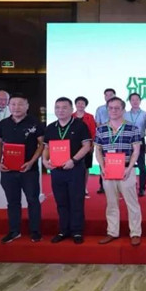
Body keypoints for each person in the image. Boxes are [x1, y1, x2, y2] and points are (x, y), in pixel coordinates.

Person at [0, 93, 45, 244]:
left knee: (32, 200)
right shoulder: (3, 123)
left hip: (29, 170)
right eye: (13, 104)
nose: (16, 107)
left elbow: (41, 144)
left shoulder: (35, 123)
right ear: (9, 106)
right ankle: (14, 231)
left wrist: (32, 162)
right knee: (12, 201)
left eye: (20, 104)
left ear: (27, 106)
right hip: (8, 170)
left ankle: (35, 231)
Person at [94, 97, 144, 245]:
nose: (113, 111)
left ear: (123, 110)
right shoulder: (101, 129)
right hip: (108, 171)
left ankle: (135, 233)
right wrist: (102, 168)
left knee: (132, 203)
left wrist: (129, 168)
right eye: (110, 108)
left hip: (126, 170)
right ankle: (112, 231)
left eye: (117, 108)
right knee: (111, 203)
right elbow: (98, 150)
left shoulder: (132, 128)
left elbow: (136, 150)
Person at [43, 97, 92, 245]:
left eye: (64, 107)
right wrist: (44, 160)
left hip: (75, 169)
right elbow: (46, 147)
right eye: (57, 107)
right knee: (61, 201)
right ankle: (63, 230)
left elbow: (87, 146)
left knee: (76, 200)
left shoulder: (80, 125)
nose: (60, 110)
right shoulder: (51, 127)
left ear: (71, 110)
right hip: (57, 170)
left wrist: (73, 160)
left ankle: (77, 231)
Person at [124, 93, 146, 196]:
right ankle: (128, 187)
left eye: (137, 99)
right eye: (133, 100)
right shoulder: (125, 114)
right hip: (127, 141)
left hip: (140, 140)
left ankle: (142, 188)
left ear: (140, 101)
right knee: (127, 165)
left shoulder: (145, 114)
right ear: (130, 101)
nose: (135, 102)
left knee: (142, 166)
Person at [73, 96, 97, 198]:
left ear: (85, 105)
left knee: (85, 167)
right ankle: (74, 188)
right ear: (75, 104)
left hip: (87, 145)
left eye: (82, 103)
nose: (80, 105)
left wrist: (92, 144)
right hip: (74, 146)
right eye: (78, 103)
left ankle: (84, 188)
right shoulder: (71, 116)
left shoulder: (90, 117)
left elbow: (93, 131)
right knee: (74, 166)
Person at [95, 88, 117, 194]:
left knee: (116, 161)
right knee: (103, 161)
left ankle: (117, 185)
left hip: (117, 137)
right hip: (105, 137)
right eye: (106, 95)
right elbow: (98, 124)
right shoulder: (100, 109)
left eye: (111, 95)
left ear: (115, 96)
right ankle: (103, 185)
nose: (108, 97)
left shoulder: (120, 108)